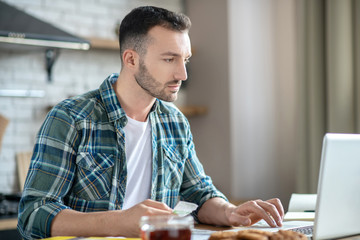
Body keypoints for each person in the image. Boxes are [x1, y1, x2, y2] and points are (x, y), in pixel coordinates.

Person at [17, 6, 284, 240]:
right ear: (131, 59)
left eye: (185, 59)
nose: (182, 73)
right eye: (170, 59)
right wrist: (118, 222)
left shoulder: (174, 122)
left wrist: (230, 212)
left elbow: (199, 193)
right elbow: (33, 215)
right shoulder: (71, 118)